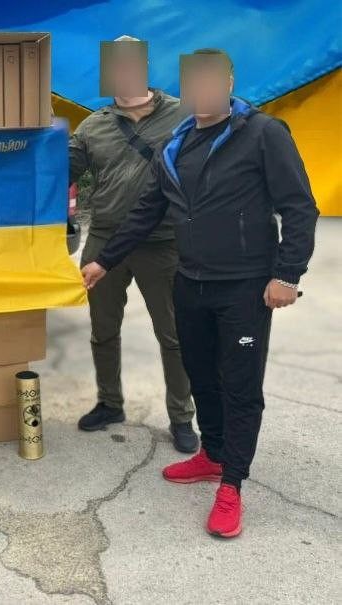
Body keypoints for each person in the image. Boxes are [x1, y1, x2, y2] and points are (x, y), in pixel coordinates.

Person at [82, 49, 319, 538]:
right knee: (201, 376)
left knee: (240, 386)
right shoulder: (177, 142)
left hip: (244, 286)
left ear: (229, 82)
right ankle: (212, 454)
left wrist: (287, 274)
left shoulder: (263, 134)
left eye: (213, 81)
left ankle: (232, 484)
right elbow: (148, 210)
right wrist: (105, 259)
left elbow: (299, 207)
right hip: (190, 280)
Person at [70, 35, 197, 452]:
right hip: (105, 238)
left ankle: (182, 417)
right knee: (103, 329)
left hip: (164, 242)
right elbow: (60, 169)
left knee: (174, 334)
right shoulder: (93, 125)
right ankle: (110, 403)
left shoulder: (183, 113)